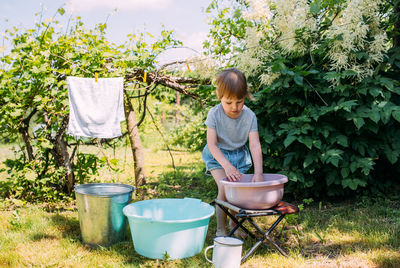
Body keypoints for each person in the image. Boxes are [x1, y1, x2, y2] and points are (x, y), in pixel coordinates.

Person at [202, 68, 264, 237]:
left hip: (239, 157)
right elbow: (212, 145)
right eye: (228, 102)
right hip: (218, 156)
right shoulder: (214, 114)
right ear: (220, 96)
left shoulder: (250, 116)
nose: (234, 107)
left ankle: (233, 224)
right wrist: (227, 167)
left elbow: (255, 146)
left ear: (245, 96)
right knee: (224, 188)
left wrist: (258, 173)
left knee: (237, 192)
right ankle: (221, 228)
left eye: (239, 101)